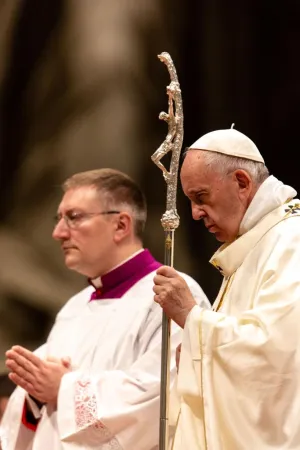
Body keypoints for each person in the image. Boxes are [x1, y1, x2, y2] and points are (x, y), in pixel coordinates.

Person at [1, 168, 209, 450]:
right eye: (58, 219)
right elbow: (39, 401)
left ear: (121, 225)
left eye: (73, 217)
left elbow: (163, 397)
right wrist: (34, 396)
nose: (58, 233)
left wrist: (64, 388)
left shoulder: (171, 294)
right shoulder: (74, 308)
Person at [153, 127, 300, 449]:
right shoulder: (256, 243)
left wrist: (192, 318)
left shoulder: (291, 242)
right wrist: (196, 352)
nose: (194, 214)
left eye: (201, 197)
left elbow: (278, 358)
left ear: (242, 182)